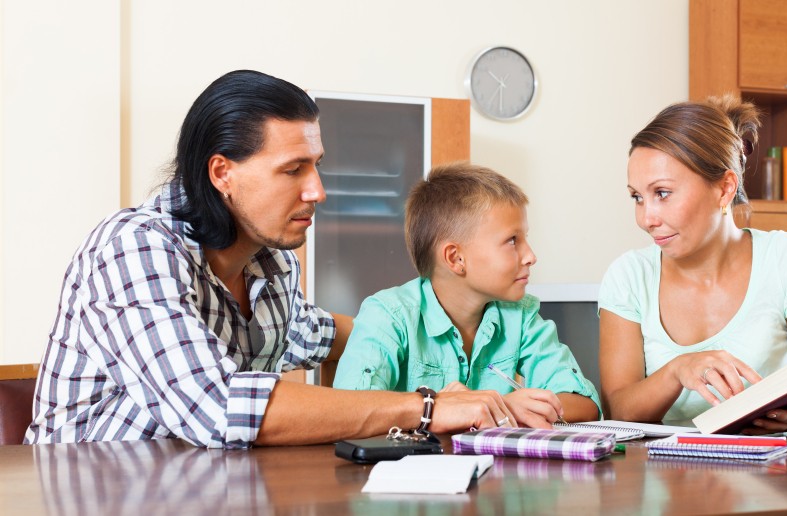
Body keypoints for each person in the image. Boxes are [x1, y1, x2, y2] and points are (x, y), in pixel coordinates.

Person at [25, 70, 515, 448]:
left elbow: (323, 334)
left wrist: (456, 348)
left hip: (198, 491)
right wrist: (425, 407)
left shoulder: (273, 265)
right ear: (222, 173)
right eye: (292, 170)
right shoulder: (132, 249)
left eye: (316, 166)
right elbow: (220, 407)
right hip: (84, 493)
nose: (317, 191)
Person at [598, 95, 787, 433]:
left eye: (662, 193)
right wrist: (678, 370)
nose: (646, 218)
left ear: (724, 188)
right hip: (663, 476)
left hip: (768, 473)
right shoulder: (628, 277)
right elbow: (618, 408)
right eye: (637, 197)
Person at [333, 162, 601, 427]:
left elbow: (585, 404)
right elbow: (352, 411)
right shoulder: (389, 315)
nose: (531, 256)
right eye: (512, 240)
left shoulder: (520, 314)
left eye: (525, 238)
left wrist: (498, 407)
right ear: (456, 258)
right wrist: (456, 408)